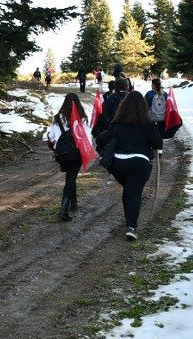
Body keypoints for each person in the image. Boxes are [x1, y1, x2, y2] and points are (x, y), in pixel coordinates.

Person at [96, 91, 163, 241]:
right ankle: (131, 226)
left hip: (118, 164)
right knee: (133, 193)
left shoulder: (117, 123)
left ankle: (129, 221)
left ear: (123, 106)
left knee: (129, 191)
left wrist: (101, 149)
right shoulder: (149, 124)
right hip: (140, 164)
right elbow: (158, 144)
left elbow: (102, 139)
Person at [44, 93, 89, 221]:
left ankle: (73, 202)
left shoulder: (58, 118)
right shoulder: (82, 118)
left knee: (70, 176)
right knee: (70, 178)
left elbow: (51, 137)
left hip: (62, 153)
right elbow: (86, 137)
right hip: (76, 153)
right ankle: (63, 210)